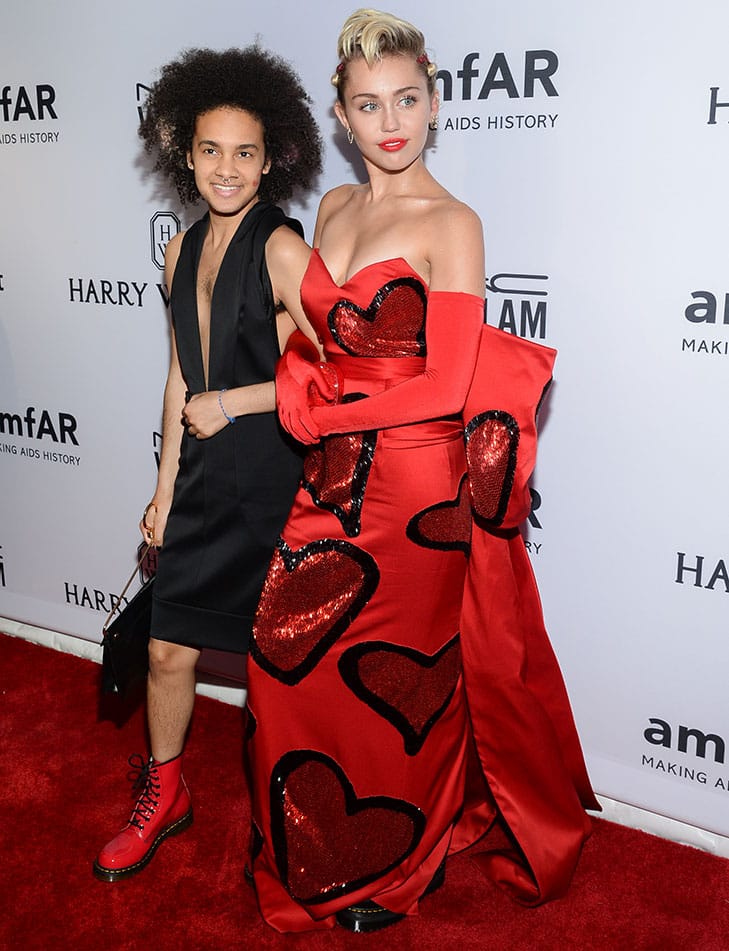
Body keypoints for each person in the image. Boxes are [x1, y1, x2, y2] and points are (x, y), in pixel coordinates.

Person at [244, 8, 599, 934]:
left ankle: (401, 864)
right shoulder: (333, 208)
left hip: (412, 488)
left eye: (407, 98)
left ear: (435, 102)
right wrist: (294, 378)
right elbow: (318, 336)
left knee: (402, 682)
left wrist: (323, 405)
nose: (390, 119)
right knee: (283, 664)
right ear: (341, 115)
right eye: (368, 104)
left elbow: (444, 382)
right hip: (328, 478)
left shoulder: (452, 221)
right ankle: (317, 847)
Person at [93, 46, 323, 882]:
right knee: (166, 651)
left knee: (272, 672)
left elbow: (332, 374)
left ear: (273, 159)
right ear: (185, 155)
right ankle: (165, 792)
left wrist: (235, 402)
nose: (228, 169)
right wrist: (161, 488)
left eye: (246, 152)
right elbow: (180, 373)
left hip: (269, 480)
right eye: (212, 151)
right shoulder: (179, 250)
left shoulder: (284, 250)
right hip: (198, 479)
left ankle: (286, 813)